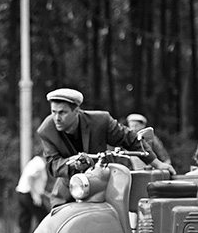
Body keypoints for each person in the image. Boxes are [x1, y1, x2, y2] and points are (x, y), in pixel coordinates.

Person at [37, 88, 176, 209]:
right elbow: (52, 165)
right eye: (53, 112)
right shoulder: (47, 130)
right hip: (69, 190)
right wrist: (73, 163)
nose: (56, 118)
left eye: (62, 112)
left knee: (122, 214)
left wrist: (157, 163)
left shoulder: (100, 121)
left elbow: (130, 139)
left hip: (102, 186)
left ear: (77, 111)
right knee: (55, 228)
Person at [10, 153, 49, 233]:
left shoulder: (34, 162)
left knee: (25, 224)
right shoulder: (39, 163)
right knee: (45, 218)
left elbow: (36, 183)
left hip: (22, 193)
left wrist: (46, 194)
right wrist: (35, 195)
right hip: (29, 195)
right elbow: (31, 178)